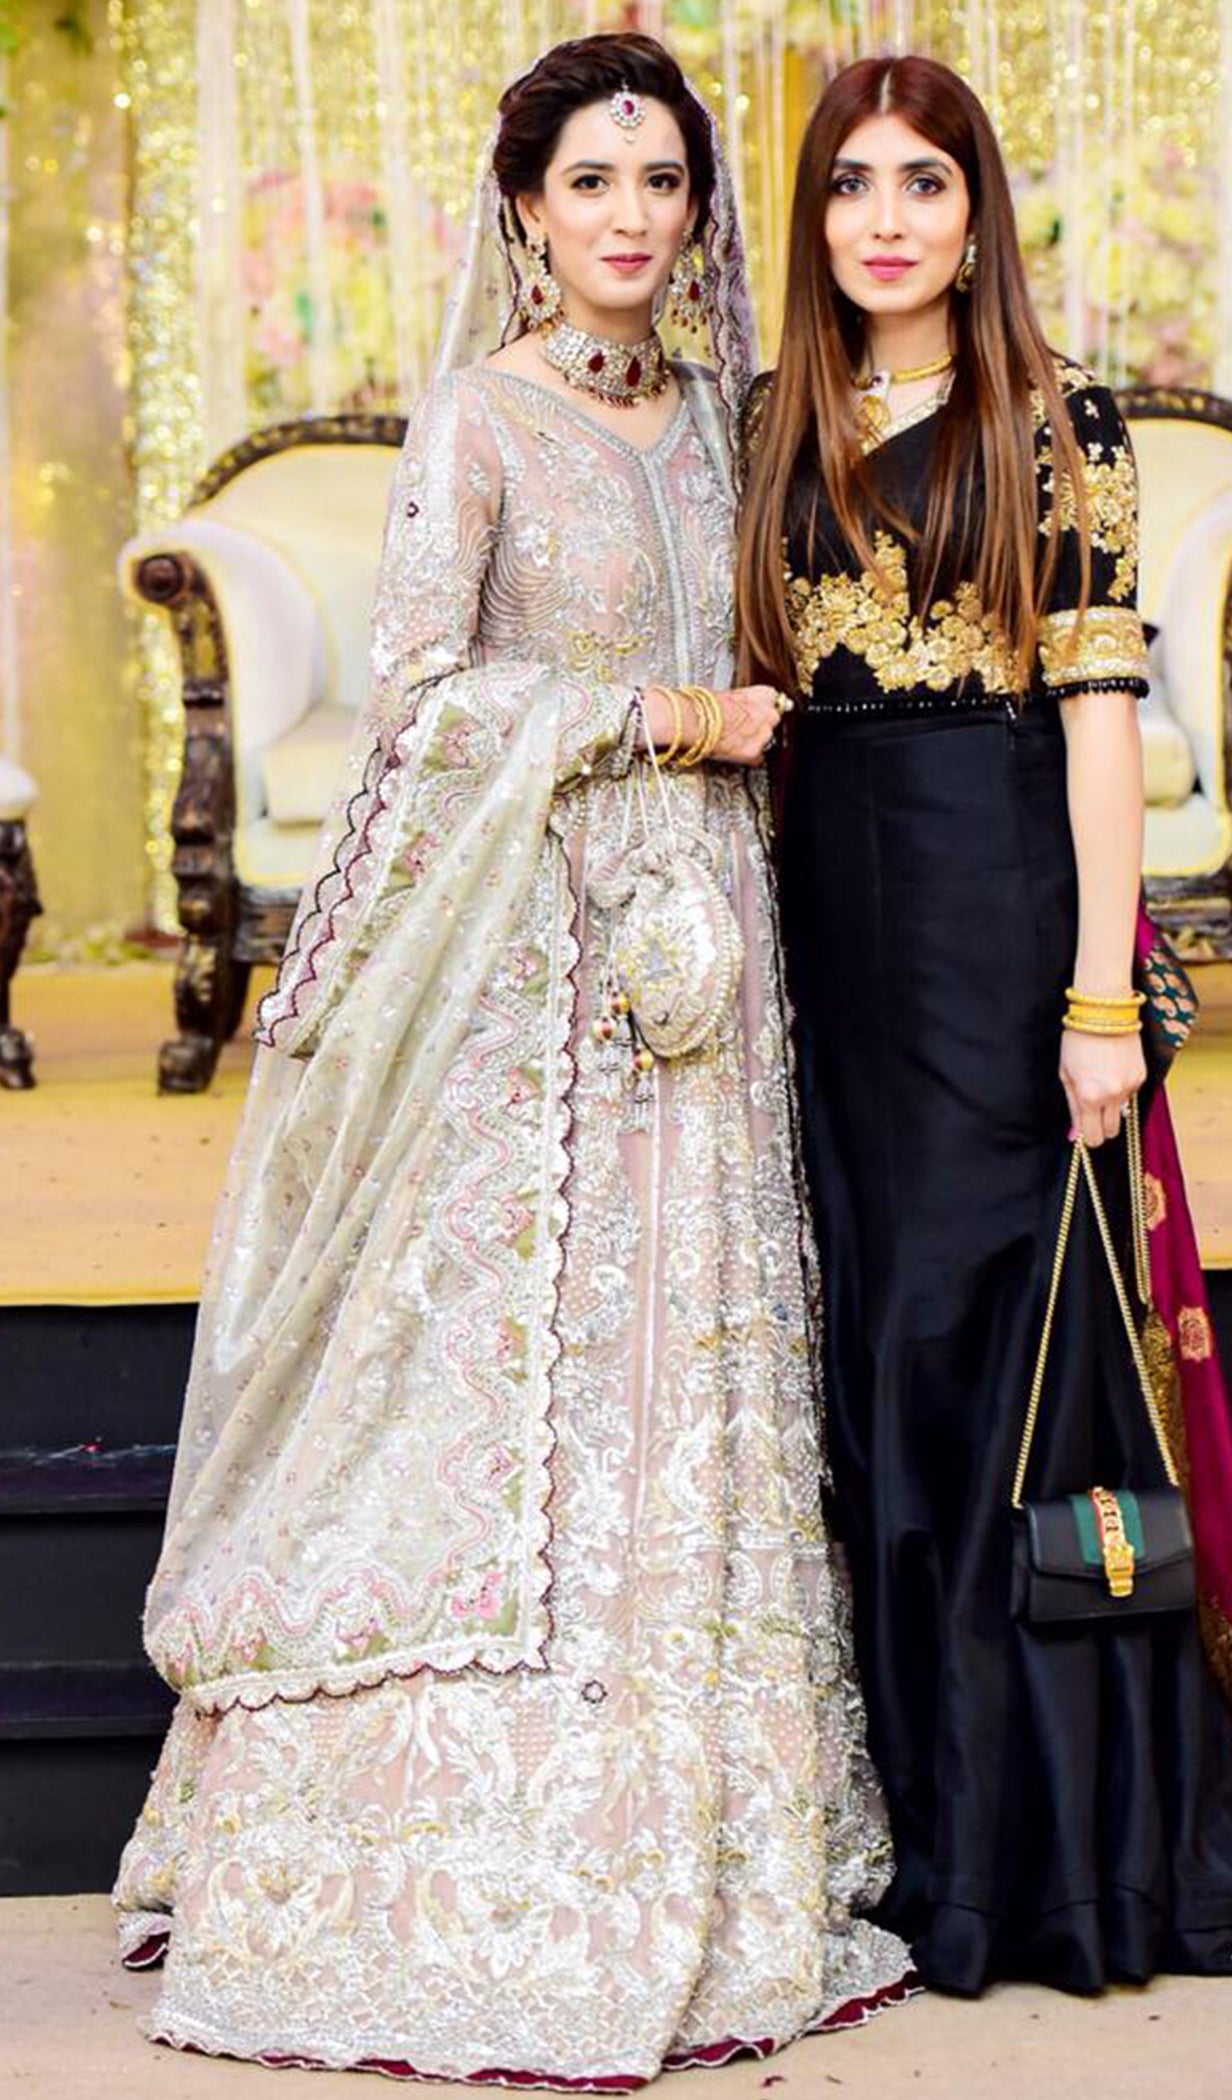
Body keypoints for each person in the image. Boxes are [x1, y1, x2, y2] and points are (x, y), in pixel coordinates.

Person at [112, 35, 912, 2084]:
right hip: (532, 962)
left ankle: (703, 1827)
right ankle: (470, 1844)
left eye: (662, 181)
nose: (630, 217)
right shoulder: (479, 418)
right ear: (528, 213)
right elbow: (418, 694)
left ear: (696, 211)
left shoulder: (731, 419)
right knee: (518, 1378)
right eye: (590, 183)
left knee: (694, 1363)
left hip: (716, 954)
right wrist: (654, 718)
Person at [737, 53, 1232, 1999]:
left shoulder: (1052, 418)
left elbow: (1100, 727)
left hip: (1001, 928)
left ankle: (1062, 1861)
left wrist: (1102, 998)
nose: (888, 219)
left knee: (1002, 1356)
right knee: (881, 1367)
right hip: (826, 943)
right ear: (814, 218)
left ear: (975, 211)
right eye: (853, 184)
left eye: (924, 181)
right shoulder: (770, 419)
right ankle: (925, 1828)